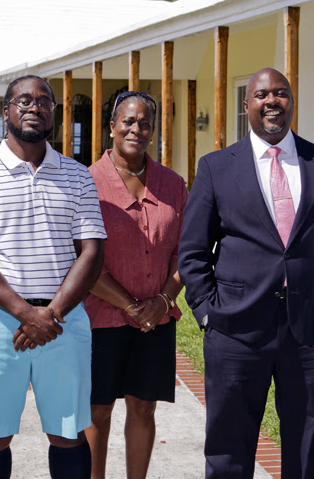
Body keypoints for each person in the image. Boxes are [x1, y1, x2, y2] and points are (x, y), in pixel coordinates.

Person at [178, 67, 314, 478]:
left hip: (311, 329)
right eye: (261, 94)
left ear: (292, 102)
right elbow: (192, 251)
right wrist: (208, 312)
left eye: (280, 93)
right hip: (236, 330)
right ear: (247, 105)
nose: (271, 101)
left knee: (309, 445)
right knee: (228, 447)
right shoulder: (216, 167)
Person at [0, 75, 107, 479]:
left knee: (69, 434)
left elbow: (91, 253)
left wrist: (49, 314)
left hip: (63, 322)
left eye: (44, 102)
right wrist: (25, 313)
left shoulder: (78, 176)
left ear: (54, 114)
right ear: (6, 112)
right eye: (24, 101)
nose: (35, 107)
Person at [83, 91, 187, 479]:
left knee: (144, 406)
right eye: (128, 121)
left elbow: (185, 251)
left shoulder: (173, 184)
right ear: (111, 126)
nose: (136, 129)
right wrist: (131, 306)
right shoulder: (87, 182)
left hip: (156, 319)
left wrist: (163, 300)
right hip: (99, 318)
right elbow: (83, 259)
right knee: (97, 409)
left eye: (145, 123)